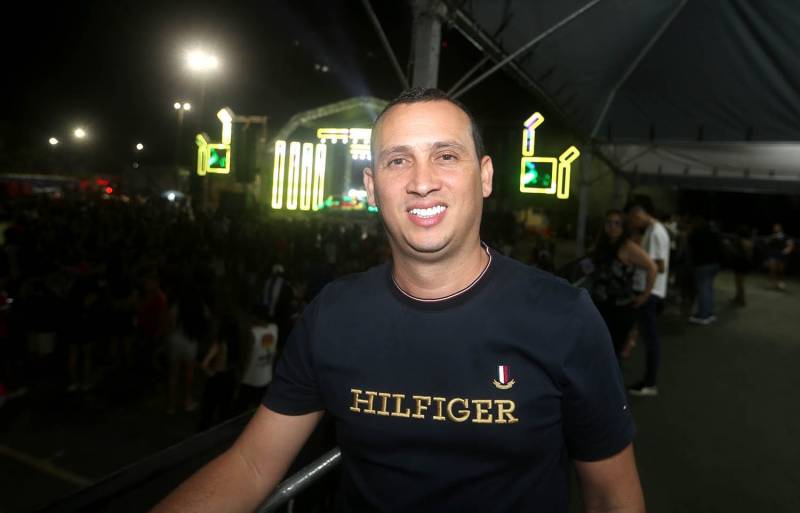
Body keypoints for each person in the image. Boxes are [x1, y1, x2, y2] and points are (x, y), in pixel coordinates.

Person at [151, 88, 644, 513]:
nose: (422, 181)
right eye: (398, 160)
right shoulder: (333, 315)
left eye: (445, 156)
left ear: (486, 176)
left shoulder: (563, 318)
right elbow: (252, 464)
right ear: (372, 187)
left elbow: (611, 496)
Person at [590, 210, 657, 356]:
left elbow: (652, 267)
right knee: (597, 349)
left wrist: (645, 295)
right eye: (609, 223)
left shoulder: (627, 247)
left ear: (623, 227)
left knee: (612, 352)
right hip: (600, 306)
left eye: (617, 223)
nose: (612, 227)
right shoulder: (603, 244)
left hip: (620, 309)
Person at [625, 197, 670, 397]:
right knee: (648, 337)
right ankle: (648, 380)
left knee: (651, 339)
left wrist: (639, 261)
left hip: (650, 291)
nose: (633, 222)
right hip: (649, 290)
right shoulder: (653, 230)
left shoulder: (656, 232)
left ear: (639, 213)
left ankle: (650, 382)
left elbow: (660, 266)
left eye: (633, 218)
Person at [686, 216, 723, 325]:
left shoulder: (695, 234)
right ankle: (709, 313)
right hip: (714, 264)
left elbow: (689, 248)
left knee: (703, 290)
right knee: (709, 289)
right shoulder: (714, 233)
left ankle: (703, 315)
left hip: (702, 264)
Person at [766, 223, 795, 291]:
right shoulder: (772, 236)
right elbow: (767, 243)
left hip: (782, 255)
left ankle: (780, 282)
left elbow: (790, 245)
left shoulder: (786, 236)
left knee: (781, 269)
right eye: (775, 227)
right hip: (773, 254)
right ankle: (772, 282)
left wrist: (786, 251)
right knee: (772, 268)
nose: (775, 228)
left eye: (777, 227)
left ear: (780, 228)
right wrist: (772, 238)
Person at [730, 225, 754, 306]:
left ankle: (742, 299)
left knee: (739, 282)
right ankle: (738, 297)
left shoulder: (742, 240)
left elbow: (745, 250)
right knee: (739, 281)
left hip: (740, 262)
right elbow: (750, 253)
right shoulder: (749, 240)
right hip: (743, 262)